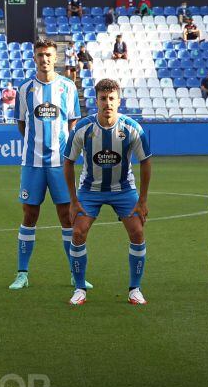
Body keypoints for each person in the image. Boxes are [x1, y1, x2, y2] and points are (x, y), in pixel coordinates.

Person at [60, 77, 153, 307]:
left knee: (137, 232)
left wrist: (142, 200)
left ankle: (135, 289)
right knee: (78, 233)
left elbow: (146, 162)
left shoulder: (132, 128)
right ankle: (79, 288)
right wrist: (73, 200)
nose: (107, 103)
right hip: (90, 190)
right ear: (96, 101)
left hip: (123, 189)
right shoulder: (83, 128)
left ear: (118, 101)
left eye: (112, 98)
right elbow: (68, 162)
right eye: (103, 98)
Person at [7, 39, 85, 291]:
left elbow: (73, 123)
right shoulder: (25, 89)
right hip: (32, 163)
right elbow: (22, 124)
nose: (45, 59)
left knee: (67, 216)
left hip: (61, 164)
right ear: (34, 58)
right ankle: (22, 273)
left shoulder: (68, 87)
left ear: (56, 58)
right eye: (40, 55)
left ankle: (75, 274)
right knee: (30, 215)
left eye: (49, 55)